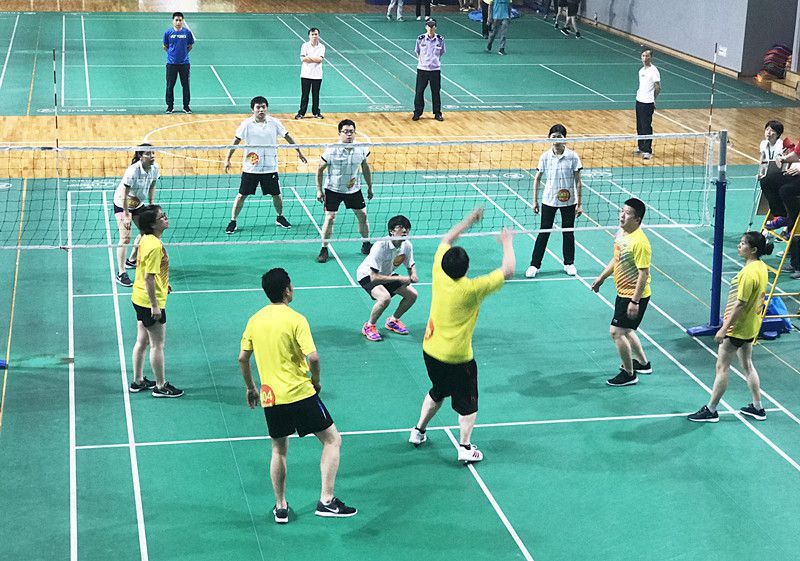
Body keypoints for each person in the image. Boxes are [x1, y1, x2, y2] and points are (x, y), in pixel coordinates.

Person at [238, 268, 357, 523]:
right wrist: (316, 382)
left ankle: (280, 507)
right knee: (332, 440)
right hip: (301, 393)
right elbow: (313, 357)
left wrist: (251, 387)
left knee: (279, 450)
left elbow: (242, 358)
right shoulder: (296, 319)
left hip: (271, 397)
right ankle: (326, 501)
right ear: (287, 290)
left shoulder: (255, 320)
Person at [409, 208, 515, 463]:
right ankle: (465, 447)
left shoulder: (438, 271)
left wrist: (469, 220)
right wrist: (507, 242)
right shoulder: (473, 289)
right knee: (468, 404)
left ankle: (418, 431)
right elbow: (508, 270)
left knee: (438, 390)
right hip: (458, 358)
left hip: (430, 350)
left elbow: (447, 239)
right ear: (466, 268)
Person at [688, 232, 770, 422]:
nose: (739, 246)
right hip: (751, 326)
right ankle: (757, 407)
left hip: (737, 328)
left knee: (722, 367)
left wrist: (724, 328)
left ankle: (711, 409)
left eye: (743, 244)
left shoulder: (748, 274)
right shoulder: (761, 267)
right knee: (747, 364)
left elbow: (740, 304)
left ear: (753, 249)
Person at [590, 198, 653, 387]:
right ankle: (643, 364)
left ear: (638, 219)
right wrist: (602, 277)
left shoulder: (640, 243)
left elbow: (644, 274)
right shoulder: (621, 233)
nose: (622, 215)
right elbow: (617, 259)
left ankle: (629, 374)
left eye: (627, 213)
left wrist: (634, 301)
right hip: (623, 292)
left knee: (616, 332)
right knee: (626, 330)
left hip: (633, 295)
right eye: (622, 211)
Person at [224, 96, 307, 234]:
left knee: (276, 194)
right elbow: (236, 141)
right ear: (253, 109)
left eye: (263, 107)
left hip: (270, 167)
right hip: (251, 167)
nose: (261, 110)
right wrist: (227, 158)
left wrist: (299, 151)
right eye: (258, 107)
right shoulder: (246, 124)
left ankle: (280, 217)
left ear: (267, 108)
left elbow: (287, 136)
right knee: (241, 195)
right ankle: (233, 221)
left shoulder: (274, 122)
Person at [128, 205, 183, 398]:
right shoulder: (154, 246)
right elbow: (149, 278)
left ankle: (137, 381)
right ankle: (160, 386)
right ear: (153, 224)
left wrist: (164, 284)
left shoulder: (146, 238)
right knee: (157, 345)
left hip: (139, 297)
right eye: (162, 217)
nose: (166, 218)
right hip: (149, 302)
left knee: (142, 341)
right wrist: (155, 306)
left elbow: (149, 270)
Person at [526, 124, 583, 279]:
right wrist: (534, 201)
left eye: (559, 137)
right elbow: (537, 179)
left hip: (568, 201)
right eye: (554, 137)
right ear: (549, 138)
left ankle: (569, 263)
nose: (556, 140)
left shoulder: (573, 156)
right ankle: (534, 265)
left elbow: (578, 181)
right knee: (544, 233)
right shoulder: (545, 157)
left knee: (568, 232)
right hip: (549, 200)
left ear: (565, 139)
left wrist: (579, 204)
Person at [316, 119, 373, 263]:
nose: (349, 135)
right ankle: (324, 248)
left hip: (353, 189)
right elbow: (319, 170)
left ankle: (366, 244)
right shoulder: (331, 150)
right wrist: (319, 190)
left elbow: (365, 167)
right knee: (330, 218)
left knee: (363, 216)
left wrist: (370, 187)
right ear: (339, 133)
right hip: (333, 189)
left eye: (351, 132)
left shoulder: (361, 149)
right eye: (345, 132)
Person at [356, 215, 418, 342]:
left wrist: (413, 274)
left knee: (412, 295)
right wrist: (400, 278)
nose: (405, 230)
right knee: (384, 298)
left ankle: (393, 321)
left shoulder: (407, 245)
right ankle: (369, 326)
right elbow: (374, 278)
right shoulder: (380, 246)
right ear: (391, 231)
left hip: (386, 274)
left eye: (407, 228)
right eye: (400, 227)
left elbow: (410, 264)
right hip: (367, 275)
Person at [113, 144, 159, 287]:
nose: (152, 156)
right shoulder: (132, 171)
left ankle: (132, 260)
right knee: (125, 238)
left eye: (153, 153)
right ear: (140, 156)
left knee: (147, 232)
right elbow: (124, 194)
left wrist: (151, 205)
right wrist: (127, 214)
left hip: (138, 204)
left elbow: (152, 186)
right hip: (122, 204)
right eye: (148, 154)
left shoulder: (155, 168)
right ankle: (121, 273)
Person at [756, 120, 787, 230]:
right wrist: (760, 172)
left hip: (781, 175)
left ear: (778, 134)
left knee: (779, 199)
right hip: (768, 176)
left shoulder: (781, 145)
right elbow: (763, 159)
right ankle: (771, 226)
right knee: (769, 200)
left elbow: (782, 163)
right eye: (767, 129)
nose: (768, 133)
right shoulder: (763, 144)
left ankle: (784, 224)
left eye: (772, 130)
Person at [413, 19, 446, 122]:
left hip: (435, 70)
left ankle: (437, 113)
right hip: (422, 69)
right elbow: (417, 52)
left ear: (435, 27)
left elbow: (441, 52)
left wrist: (434, 62)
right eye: (429, 26)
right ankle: (417, 112)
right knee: (419, 91)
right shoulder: (420, 39)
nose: (431, 28)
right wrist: (423, 62)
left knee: (436, 92)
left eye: (432, 26)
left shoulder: (440, 40)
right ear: (426, 27)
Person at [163, 12, 194, 114]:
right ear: (173, 21)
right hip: (171, 64)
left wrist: (183, 54)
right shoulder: (168, 33)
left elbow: (190, 46)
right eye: (176, 20)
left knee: (185, 85)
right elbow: (165, 46)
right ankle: (170, 106)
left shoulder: (187, 33)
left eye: (180, 20)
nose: (178, 22)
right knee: (170, 85)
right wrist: (172, 54)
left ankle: (186, 106)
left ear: (182, 21)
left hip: (184, 64)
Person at [635, 48, 661, 160]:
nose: (645, 58)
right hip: (639, 100)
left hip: (647, 103)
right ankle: (641, 147)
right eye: (643, 56)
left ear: (651, 57)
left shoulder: (654, 71)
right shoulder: (641, 71)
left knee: (646, 126)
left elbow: (658, 87)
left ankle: (647, 150)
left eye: (647, 56)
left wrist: (653, 99)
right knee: (639, 126)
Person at [295, 28, 326, 120]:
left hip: (317, 75)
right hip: (306, 74)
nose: (314, 36)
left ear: (318, 35)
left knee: (316, 95)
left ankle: (316, 112)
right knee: (305, 95)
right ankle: (301, 113)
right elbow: (303, 59)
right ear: (309, 36)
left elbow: (320, 59)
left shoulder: (322, 47)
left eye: (316, 34)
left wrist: (309, 58)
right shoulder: (305, 46)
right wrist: (314, 59)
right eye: (312, 34)